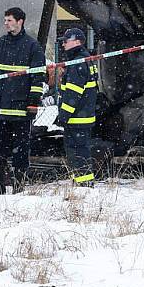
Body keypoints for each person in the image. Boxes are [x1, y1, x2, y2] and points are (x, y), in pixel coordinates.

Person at [0, 7, 45, 194]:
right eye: (5, 20)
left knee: (20, 150)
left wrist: (33, 102)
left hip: (21, 109)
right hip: (2, 108)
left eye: (9, 20)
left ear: (20, 22)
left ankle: (19, 184)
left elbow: (38, 77)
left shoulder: (32, 46)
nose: (6, 24)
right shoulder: (1, 43)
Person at [57, 28, 98, 186]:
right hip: (83, 115)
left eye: (66, 41)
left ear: (76, 42)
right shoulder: (85, 59)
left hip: (76, 118)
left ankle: (84, 185)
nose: (63, 44)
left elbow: (73, 93)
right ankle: (84, 183)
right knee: (82, 150)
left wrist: (64, 115)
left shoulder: (77, 62)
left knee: (77, 152)